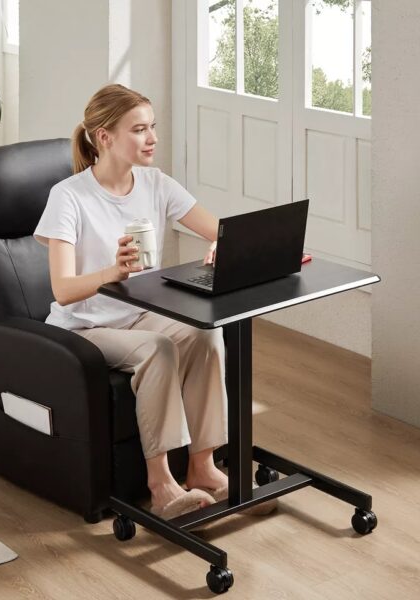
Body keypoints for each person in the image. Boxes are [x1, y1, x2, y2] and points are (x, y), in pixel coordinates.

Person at [34, 83, 274, 520]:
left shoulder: (155, 183)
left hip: (143, 313)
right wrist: (113, 271)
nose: (152, 139)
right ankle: (161, 483)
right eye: (139, 130)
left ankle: (203, 468)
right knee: (159, 350)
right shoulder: (69, 197)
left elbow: (218, 229)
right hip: (83, 327)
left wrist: (227, 246)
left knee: (205, 333)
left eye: (153, 127)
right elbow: (63, 290)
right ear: (105, 137)